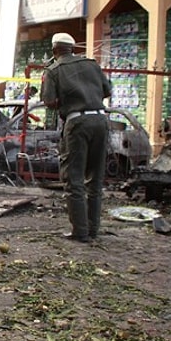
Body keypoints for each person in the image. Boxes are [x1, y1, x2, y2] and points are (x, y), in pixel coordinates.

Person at [40, 33, 112, 243]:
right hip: (100, 120)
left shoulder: (54, 70)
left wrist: (67, 99)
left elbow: (49, 100)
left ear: (55, 51)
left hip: (77, 123)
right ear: (72, 48)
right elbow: (106, 91)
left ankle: (80, 231)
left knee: (74, 179)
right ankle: (93, 228)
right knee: (95, 179)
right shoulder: (92, 64)